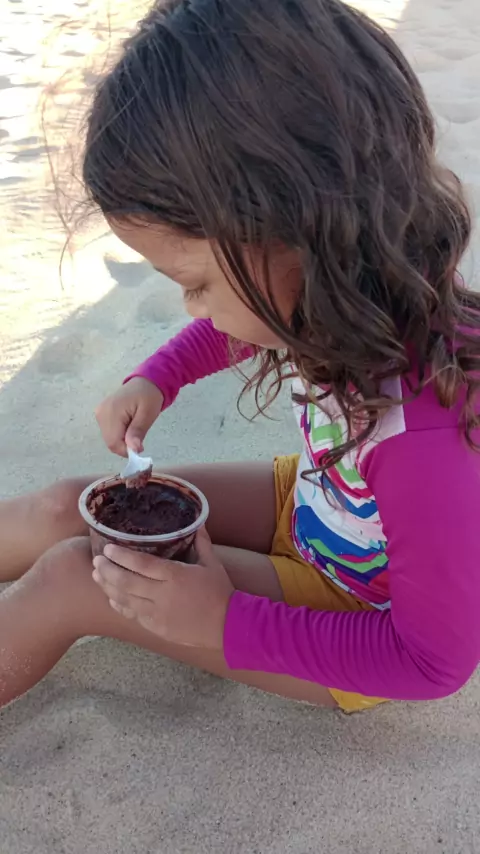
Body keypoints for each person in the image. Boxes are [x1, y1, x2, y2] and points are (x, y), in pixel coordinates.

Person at [1, 0, 479, 713]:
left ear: (302, 234)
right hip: (317, 507)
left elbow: (432, 662)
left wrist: (223, 622)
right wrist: (158, 376)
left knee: (78, 574)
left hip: (353, 613)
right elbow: (257, 315)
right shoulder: (349, 293)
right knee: (66, 506)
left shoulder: (425, 440)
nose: (192, 307)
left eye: (196, 285)